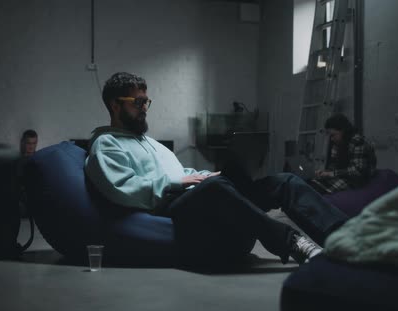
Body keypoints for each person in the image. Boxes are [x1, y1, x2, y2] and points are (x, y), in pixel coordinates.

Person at [84, 72, 349, 265]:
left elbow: (179, 171)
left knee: (284, 181)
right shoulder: (106, 144)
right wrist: (183, 183)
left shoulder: (150, 142)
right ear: (115, 105)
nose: (144, 108)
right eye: (137, 102)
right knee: (214, 188)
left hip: (198, 194)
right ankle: (291, 242)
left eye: (146, 102)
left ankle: (348, 239)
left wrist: (203, 175)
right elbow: (123, 188)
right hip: (169, 209)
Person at [310, 113, 377, 194]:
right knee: (312, 184)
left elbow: (358, 171)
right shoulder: (338, 143)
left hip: (358, 180)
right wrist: (324, 172)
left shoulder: (357, 141)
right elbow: (334, 165)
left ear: (343, 131)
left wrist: (332, 173)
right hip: (343, 176)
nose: (331, 139)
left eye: (333, 135)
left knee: (318, 190)